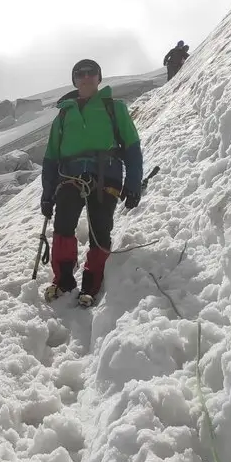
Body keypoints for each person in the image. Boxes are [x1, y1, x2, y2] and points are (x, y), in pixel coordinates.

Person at [39, 59, 144, 307]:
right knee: (63, 226)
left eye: (91, 73)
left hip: (106, 174)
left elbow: (132, 148)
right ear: (74, 80)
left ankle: (91, 284)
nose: (86, 77)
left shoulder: (114, 108)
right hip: (69, 177)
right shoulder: (64, 115)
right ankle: (63, 280)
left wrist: (133, 183)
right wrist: (47, 193)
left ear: (99, 78)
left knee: (100, 229)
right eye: (80, 74)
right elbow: (51, 157)